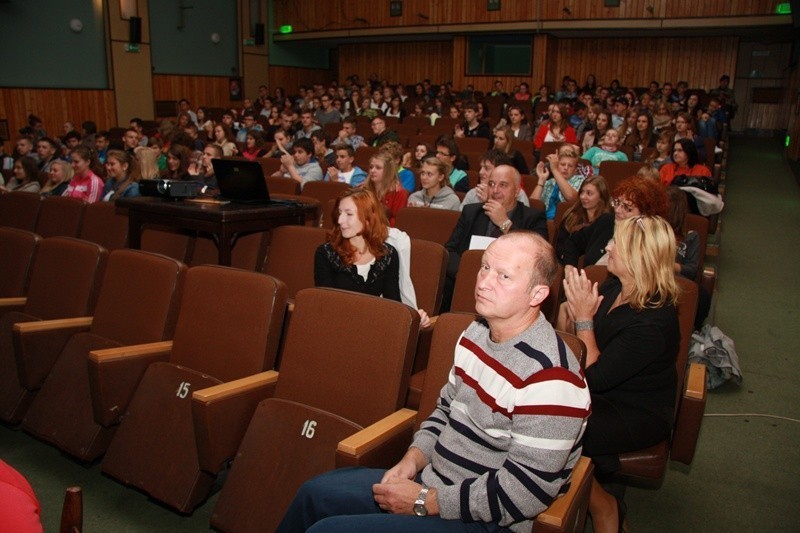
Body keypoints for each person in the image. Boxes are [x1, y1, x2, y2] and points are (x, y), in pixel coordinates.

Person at [281, 231, 590, 532]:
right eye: (485, 267)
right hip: (433, 481)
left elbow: (523, 493)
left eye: (503, 276)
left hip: (486, 519)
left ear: (537, 294)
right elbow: (444, 410)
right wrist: (412, 460)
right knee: (314, 494)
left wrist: (424, 500)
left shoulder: (552, 378)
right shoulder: (475, 333)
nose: (483, 281)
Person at [559, 216, 680, 533]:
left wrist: (583, 318)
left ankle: (603, 505)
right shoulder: (615, 285)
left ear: (639, 257)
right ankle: (601, 480)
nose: (608, 247)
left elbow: (595, 376)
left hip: (636, 411)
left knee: (553, 427)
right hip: (597, 392)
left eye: (616, 243)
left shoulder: (655, 321)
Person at [314, 188, 430, 326]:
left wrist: (416, 318)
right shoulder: (326, 253)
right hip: (336, 326)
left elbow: (393, 305)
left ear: (368, 219)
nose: (340, 220)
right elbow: (326, 304)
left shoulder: (388, 254)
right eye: (339, 213)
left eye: (349, 214)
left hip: (374, 327)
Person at [560, 176, 668, 267]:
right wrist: (570, 268)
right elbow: (573, 241)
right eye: (618, 202)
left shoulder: (649, 242)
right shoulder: (607, 221)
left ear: (646, 214)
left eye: (627, 208)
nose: (617, 210)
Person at [555, 175, 612, 260]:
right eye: (582, 192)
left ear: (601, 196)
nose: (583, 197)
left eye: (589, 193)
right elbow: (560, 245)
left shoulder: (608, 220)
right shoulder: (571, 215)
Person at [461, 150, 529, 209]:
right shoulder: (473, 193)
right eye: (481, 168)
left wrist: (488, 201)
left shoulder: (517, 194)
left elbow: (521, 223)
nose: (480, 172)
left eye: (486, 168)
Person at [530, 146, 583, 220]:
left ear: (575, 170)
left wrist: (554, 170)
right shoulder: (550, 182)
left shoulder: (581, 180)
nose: (566, 168)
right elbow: (532, 204)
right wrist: (541, 180)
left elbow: (571, 198)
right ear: (558, 166)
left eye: (570, 166)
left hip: (565, 222)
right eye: (562, 164)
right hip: (543, 221)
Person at [364, 151, 407, 226]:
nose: (372, 171)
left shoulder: (399, 193)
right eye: (371, 167)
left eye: (378, 168)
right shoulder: (363, 189)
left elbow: (398, 221)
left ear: (388, 171)